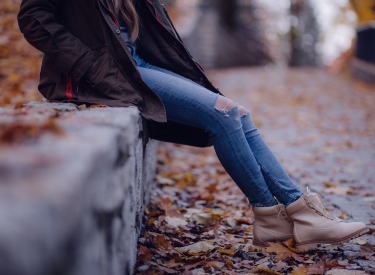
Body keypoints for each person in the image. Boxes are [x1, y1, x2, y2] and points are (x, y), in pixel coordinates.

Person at [18, 0, 369, 252]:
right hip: (98, 73)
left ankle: (288, 217)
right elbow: (33, 17)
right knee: (224, 114)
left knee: (238, 113)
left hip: (135, 62)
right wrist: (87, 65)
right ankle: (280, 216)